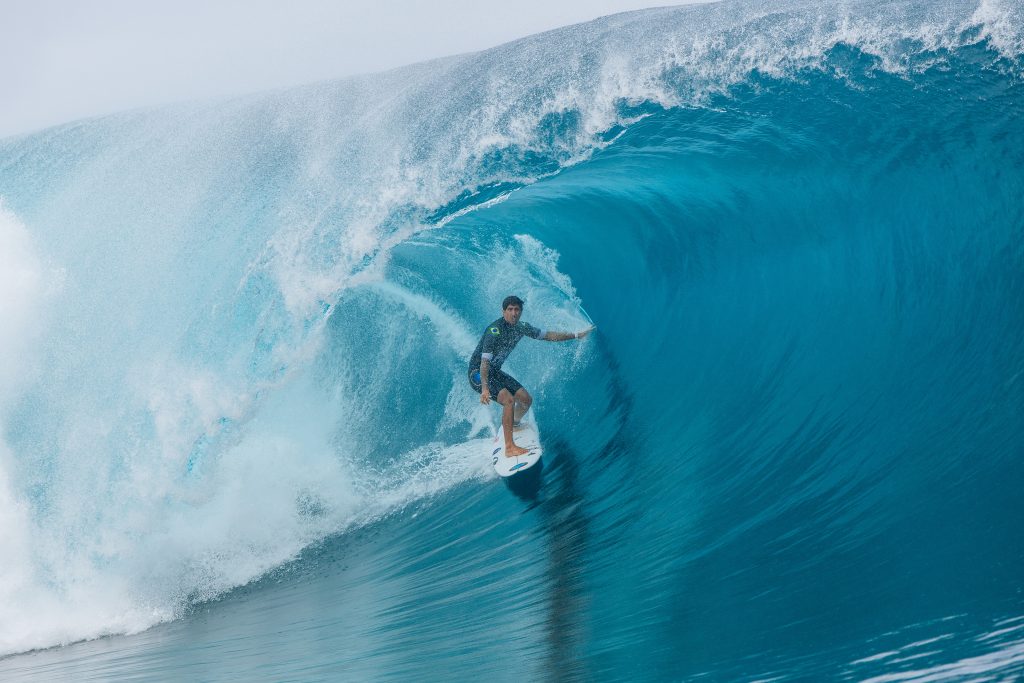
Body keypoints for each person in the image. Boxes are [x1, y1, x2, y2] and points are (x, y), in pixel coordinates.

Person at [468, 295, 594, 457]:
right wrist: (485, 389)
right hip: (478, 374)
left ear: (521, 312)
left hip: (495, 372)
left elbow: (548, 335)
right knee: (508, 401)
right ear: (503, 311)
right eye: (510, 309)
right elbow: (484, 364)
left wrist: (576, 335)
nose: (514, 313)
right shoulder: (494, 331)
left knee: (526, 400)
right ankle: (509, 447)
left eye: (517, 310)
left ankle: (512, 423)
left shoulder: (522, 327)